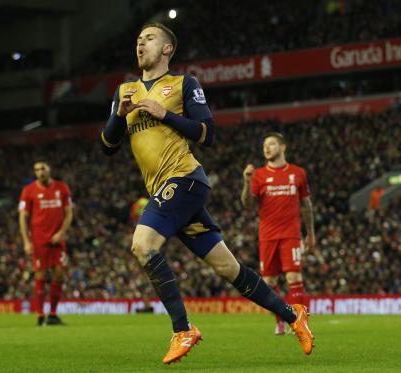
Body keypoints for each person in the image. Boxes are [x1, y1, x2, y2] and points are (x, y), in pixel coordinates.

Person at [100, 22, 314, 365]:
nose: (140, 44)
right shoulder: (125, 91)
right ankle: (294, 315)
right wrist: (119, 116)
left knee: (142, 244)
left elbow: (208, 134)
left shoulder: (183, 84)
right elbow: (109, 145)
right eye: (138, 40)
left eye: (149, 39)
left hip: (185, 180)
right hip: (165, 190)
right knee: (227, 268)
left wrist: (164, 114)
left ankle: (182, 329)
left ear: (167, 49)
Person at [241, 133, 315, 335]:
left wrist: (311, 234)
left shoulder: (298, 173)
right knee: (269, 283)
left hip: (291, 234)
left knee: (294, 276)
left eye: (272, 143)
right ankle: (281, 319)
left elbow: (306, 205)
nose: (267, 148)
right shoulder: (258, 175)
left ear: (283, 147)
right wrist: (247, 183)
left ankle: (300, 323)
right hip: (267, 235)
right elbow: (247, 204)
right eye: (265, 145)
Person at [18, 161, 73, 326]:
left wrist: (62, 232)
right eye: (36, 169)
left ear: (50, 169)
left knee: (59, 274)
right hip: (39, 240)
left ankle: (53, 314)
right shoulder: (28, 191)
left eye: (42, 168)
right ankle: (40, 314)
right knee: (40, 275)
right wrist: (26, 241)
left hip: (57, 240)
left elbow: (69, 213)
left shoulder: (62, 188)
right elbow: (23, 217)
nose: (40, 172)